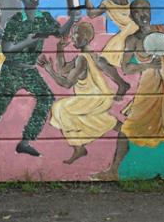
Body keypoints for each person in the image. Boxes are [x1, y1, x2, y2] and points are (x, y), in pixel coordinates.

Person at [91, 0, 164, 180]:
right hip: (147, 92)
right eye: (137, 11)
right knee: (126, 131)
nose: (143, 14)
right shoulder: (132, 40)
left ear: (151, 11)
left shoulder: (161, 31)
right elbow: (126, 68)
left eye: (146, 9)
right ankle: (113, 171)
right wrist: (148, 66)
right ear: (132, 15)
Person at [0, 0, 78, 156]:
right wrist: (28, 41)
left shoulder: (43, 18)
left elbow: (60, 32)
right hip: (11, 71)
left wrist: (72, 19)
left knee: (46, 98)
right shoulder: (16, 21)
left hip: (30, 71)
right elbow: (6, 49)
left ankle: (26, 141)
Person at [38, 22, 129, 164]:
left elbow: (66, 83)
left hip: (91, 99)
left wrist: (49, 70)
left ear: (85, 38)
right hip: (101, 98)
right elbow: (62, 70)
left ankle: (78, 147)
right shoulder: (93, 56)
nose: (72, 37)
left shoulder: (82, 59)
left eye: (76, 34)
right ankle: (82, 146)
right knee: (91, 117)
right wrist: (59, 49)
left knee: (60, 108)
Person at [80, 0, 142, 67]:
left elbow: (91, 14)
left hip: (129, 30)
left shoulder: (107, 4)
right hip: (132, 28)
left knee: (108, 56)